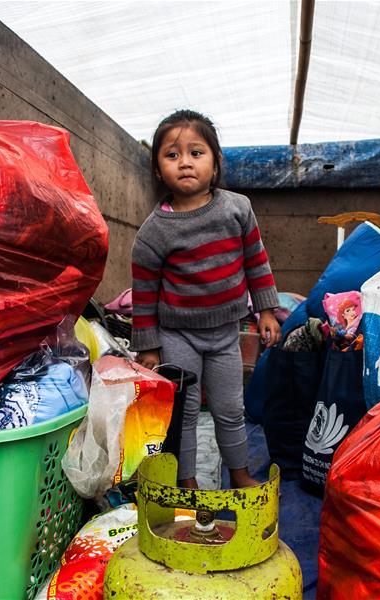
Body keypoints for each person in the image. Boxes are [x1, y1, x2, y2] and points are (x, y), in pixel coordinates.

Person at [130, 109, 281, 489]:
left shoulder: (237, 209)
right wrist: (148, 346)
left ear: (215, 165)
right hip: (177, 334)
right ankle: (188, 481)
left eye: (196, 153)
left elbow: (256, 260)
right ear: (157, 169)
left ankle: (240, 473)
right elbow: (144, 293)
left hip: (226, 334)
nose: (184, 163)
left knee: (231, 409)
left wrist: (266, 310)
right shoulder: (153, 232)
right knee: (185, 412)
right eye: (172, 155)